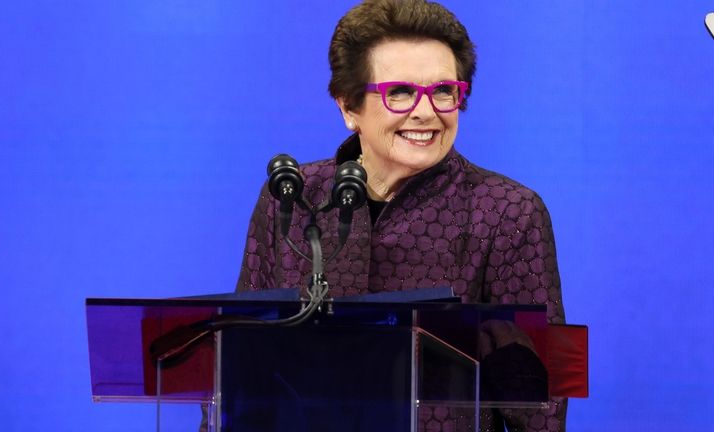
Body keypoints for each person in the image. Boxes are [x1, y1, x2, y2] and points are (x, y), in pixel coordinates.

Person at [236, 0, 566, 430]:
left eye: (443, 91)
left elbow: (537, 404)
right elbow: (240, 358)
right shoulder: (294, 197)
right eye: (400, 92)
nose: (426, 112)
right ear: (348, 107)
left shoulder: (506, 212)